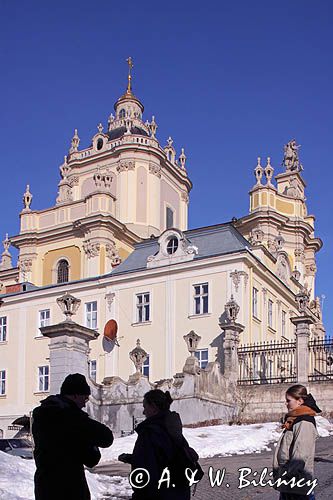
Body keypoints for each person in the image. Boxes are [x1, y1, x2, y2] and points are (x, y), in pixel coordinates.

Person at [32, 373, 114, 500]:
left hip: (45, 485)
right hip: (69, 486)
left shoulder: (41, 414)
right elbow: (106, 438)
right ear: (75, 395)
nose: (85, 404)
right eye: (85, 398)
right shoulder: (72, 416)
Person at [118, 389, 201, 499]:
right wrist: (132, 458)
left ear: (154, 407)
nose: (143, 412)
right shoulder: (172, 428)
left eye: (145, 407)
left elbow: (147, 472)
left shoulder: (150, 432)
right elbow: (164, 458)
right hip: (180, 493)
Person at [273, 384, 321, 500]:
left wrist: (289, 475)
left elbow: (300, 454)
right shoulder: (295, 419)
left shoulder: (304, 422)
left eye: (288, 400)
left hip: (296, 483)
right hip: (290, 483)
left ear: (299, 401)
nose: (286, 403)